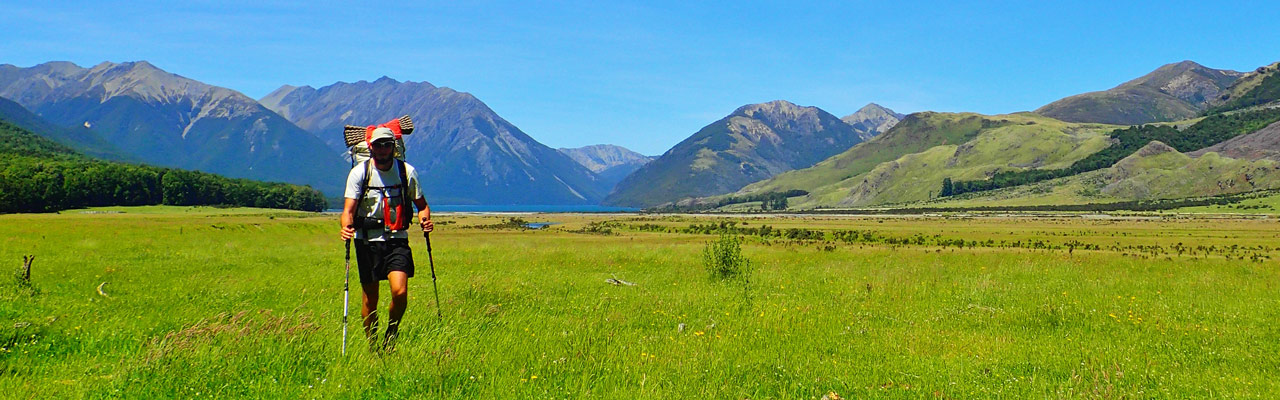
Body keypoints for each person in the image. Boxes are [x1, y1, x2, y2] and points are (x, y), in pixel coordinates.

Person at [339, 127, 433, 352]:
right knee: (370, 301)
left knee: (400, 292)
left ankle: (392, 332)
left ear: (394, 147)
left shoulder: (406, 172)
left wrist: (425, 219)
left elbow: (422, 205)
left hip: (397, 240)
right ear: (371, 147)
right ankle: (372, 347)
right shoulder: (359, 173)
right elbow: (348, 210)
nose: (382, 150)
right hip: (366, 241)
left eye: (386, 145)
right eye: (378, 145)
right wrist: (345, 227)